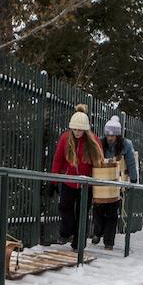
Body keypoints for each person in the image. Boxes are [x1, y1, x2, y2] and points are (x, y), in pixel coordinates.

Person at [51, 104, 104, 250]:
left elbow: (99, 164)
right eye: (74, 129)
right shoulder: (65, 139)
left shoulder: (94, 142)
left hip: (86, 184)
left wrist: (98, 186)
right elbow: (58, 160)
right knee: (64, 207)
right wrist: (54, 181)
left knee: (82, 213)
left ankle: (78, 243)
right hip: (69, 181)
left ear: (86, 130)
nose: (77, 132)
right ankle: (66, 232)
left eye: (80, 130)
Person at [92, 116, 138, 250]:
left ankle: (109, 242)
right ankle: (97, 232)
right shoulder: (101, 143)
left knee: (112, 213)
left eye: (113, 136)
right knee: (98, 209)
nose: (110, 138)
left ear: (118, 135)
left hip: (117, 182)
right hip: (102, 181)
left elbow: (130, 162)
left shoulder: (126, 145)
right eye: (108, 135)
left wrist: (132, 180)